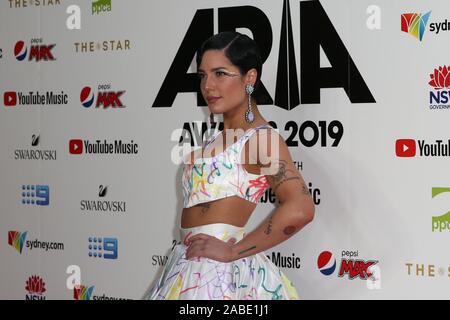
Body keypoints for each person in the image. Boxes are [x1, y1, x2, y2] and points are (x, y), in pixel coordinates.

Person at [144, 31, 315, 300]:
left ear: (250, 78)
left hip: (224, 280)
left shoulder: (262, 139)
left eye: (220, 74)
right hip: (186, 271)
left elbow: (301, 208)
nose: (208, 86)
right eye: (203, 75)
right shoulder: (217, 137)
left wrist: (234, 251)